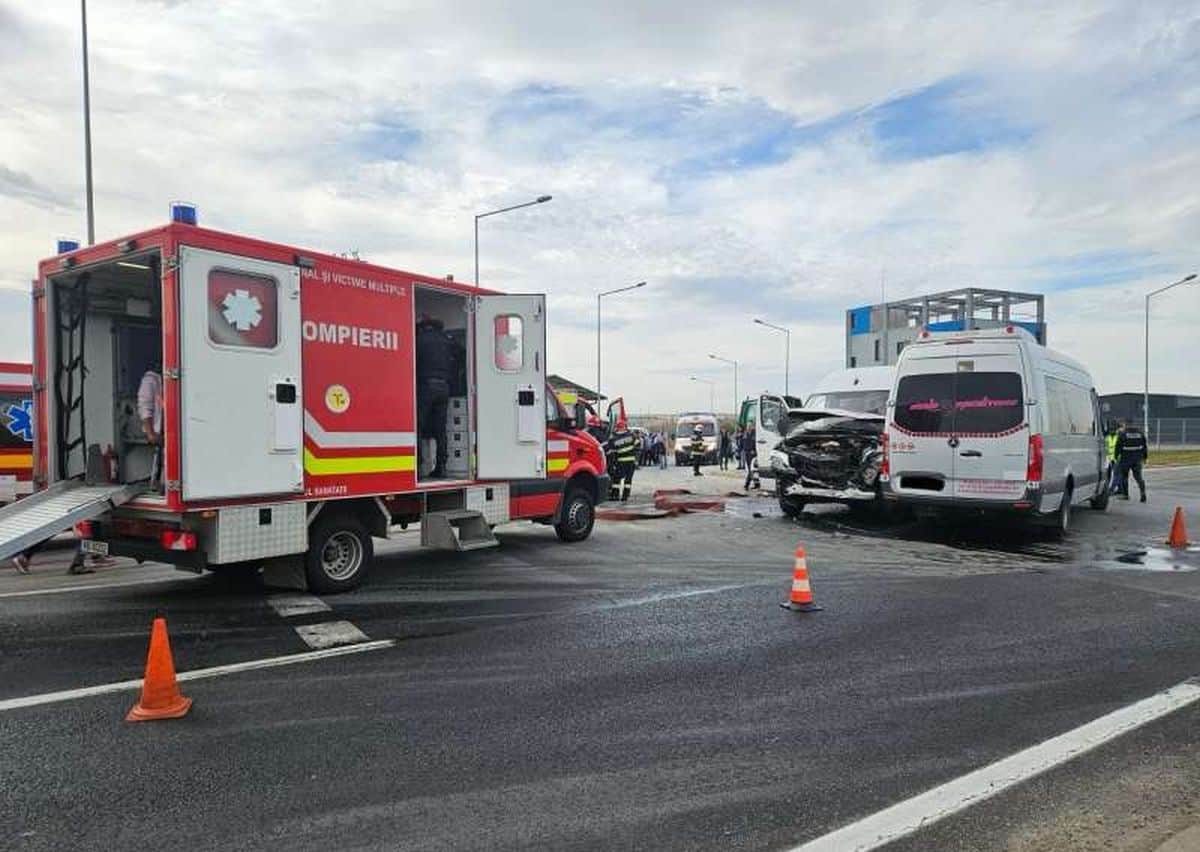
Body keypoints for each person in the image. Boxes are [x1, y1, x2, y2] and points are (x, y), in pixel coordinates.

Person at [416, 315, 461, 478]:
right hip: (444, 388)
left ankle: (418, 466)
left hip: (426, 386)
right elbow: (460, 353)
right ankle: (441, 467)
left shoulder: (419, 339)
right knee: (440, 429)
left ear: (424, 326)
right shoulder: (447, 339)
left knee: (418, 426)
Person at [137, 363, 164, 487]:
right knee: (159, 463)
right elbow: (145, 407)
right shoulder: (150, 380)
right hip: (160, 432)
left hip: (169, 431)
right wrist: (151, 433)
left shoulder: (162, 380)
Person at [1114, 418, 1148, 502]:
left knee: (1124, 477)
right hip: (1137, 459)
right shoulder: (1140, 433)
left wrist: (1116, 456)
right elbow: (1144, 446)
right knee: (1138, 477)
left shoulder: (1123, 434)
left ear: (1126, 424)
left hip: (1125, 459)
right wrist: (1145, 457)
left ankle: (1125, 495)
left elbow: (1118, 446)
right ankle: (1143, 493)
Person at [606, 420, 639, 502]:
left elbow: (610, 452)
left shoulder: (613, 438)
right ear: (625, 427)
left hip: (620, 462)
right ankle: (625, 496)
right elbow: (638, 446)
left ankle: (615, 496)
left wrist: (611, 463)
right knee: (628, 480)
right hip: (631, 461)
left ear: (617, 428)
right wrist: (637, 459)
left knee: (617, 480)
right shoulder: (632, 435)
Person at [743, 424, 760, 490]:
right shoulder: (745, 434)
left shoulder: (755, 433)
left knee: (752, 469)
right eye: (748, 426)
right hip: (747, 453)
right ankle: (755, 484)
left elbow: (756, 443)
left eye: (751, 426)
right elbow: (744, 443)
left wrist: (754, 450)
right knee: (751, 469)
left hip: (753, 453)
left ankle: (747, 484)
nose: (749, 427)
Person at [1105, 421, 1119, 494]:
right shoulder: (1107, 438)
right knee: (1113, 474)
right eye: (1111, 430)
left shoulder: (1118, 437)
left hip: (1117, 459)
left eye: (1113, 430)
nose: (1112, 431)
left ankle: (1112, 489)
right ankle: (1119, 489)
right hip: (1109, 459)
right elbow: (1105, 448)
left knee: (1116, 474)